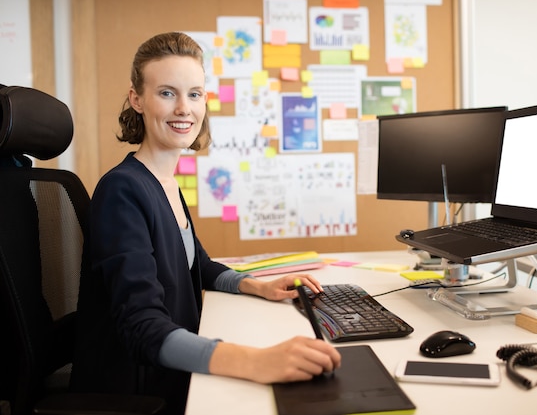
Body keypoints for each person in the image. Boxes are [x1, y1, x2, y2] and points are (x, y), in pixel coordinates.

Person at [70, 32, 341, 414]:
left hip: (175, 368)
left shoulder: (163, 182)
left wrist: (257, 287)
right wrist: (254, 361)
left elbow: (198, 265)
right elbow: (140, 327)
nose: (184, 108)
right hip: (140, 388)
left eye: (194, 94)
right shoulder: (122, 191)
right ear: (137, 99)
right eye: (167, 93)